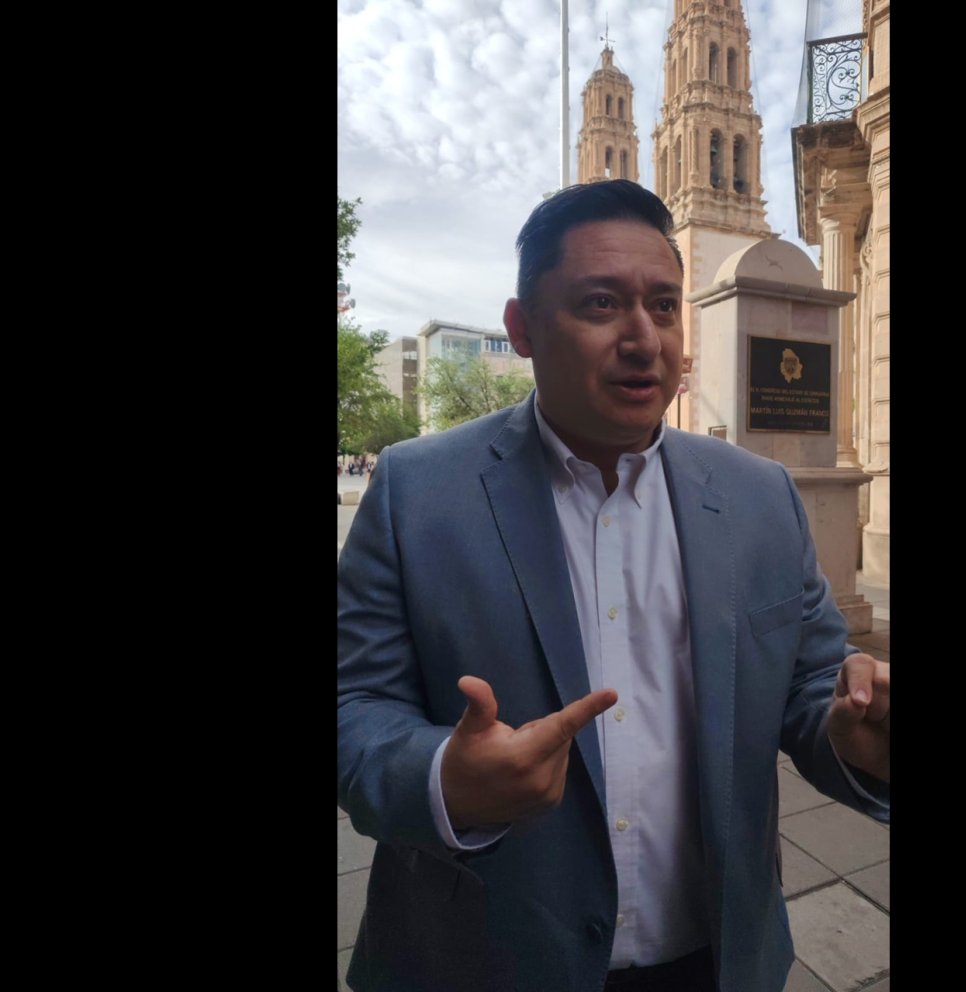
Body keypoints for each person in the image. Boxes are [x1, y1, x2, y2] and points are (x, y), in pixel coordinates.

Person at [337, 180, 890, 992]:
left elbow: (809, 684)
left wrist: (853, 733)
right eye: (601, 303)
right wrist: (441, 778)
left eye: (663, 306)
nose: (643, 339)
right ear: (523, 329)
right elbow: (354, 705)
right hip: (485, 960)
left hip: (716, 959)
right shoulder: (415, 492)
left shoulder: (760, 496)